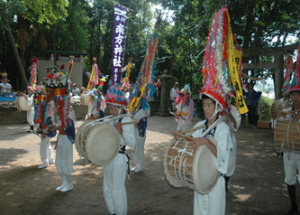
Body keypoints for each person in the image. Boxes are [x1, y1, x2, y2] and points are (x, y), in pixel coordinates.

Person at [175, 89, 231, 215]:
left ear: (217, 107)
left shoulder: (223, 129)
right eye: (204, 105)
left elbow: (221, 154)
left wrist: (206, 141)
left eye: (209, 105)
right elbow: (191, 142)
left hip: (216, 183)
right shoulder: (200, 125)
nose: (206, 109)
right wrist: (181, 137)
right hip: (200, 180)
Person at [104, 84, 136, 215]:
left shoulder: (127, 119)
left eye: (112, 109)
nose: (110, 112)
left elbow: (133, 144)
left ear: (119, 107)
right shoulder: (113, 119)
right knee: (107, 189)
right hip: (108, 158)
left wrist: (122, 131)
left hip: (119, 159)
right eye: (109, 109)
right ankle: (113, 212)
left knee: (118, 191)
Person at [46, 57, 76, 193]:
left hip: (67, 139)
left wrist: (56, 128)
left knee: (66, 160)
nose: (56, 103)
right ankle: (64, 182)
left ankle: (69, 184)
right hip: (61, 138)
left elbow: (68, 127)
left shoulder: (68, 112)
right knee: (59, 161)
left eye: (58, 101)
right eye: (55, 101)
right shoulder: (59, 112)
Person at [278, 87, 300, 214]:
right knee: (290, 179)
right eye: (293, 95)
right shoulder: (286, 111)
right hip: (288, 150)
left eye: (298, 95)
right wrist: (281, 116)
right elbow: (279, 124)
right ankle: (294, 205)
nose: (295, 98)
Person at [224, 101, 241, 192]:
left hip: (230, 139)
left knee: (230, 163)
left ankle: (226, 183)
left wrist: (231, 117)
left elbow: (236, 126)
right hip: (218, 141)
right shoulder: (217, 107)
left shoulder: (234, 109)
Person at [131, 96, 149, 173]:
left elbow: (144, 124)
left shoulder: (143, 111)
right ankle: (137, 164)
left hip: (140, 134)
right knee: (134, 149)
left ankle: (140, 165)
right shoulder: (135, 110)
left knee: (139, 149)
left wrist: (136, 125)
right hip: (134, 133)